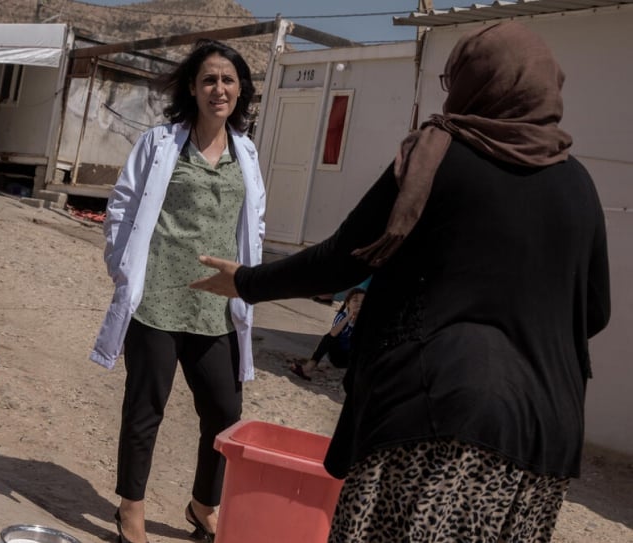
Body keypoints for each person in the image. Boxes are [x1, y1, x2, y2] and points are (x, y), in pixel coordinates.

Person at [191, 22, 610, 542]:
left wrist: (248, 282)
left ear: (477, 81)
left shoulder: (437, 157)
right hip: (545, 438)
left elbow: (342, 260)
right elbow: (595, 312)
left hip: (436, 421)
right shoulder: (579, 184)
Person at [90, 39, 265, 543]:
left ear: (240, 90)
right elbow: (122, 206)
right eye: (209, 79)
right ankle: (131, 509)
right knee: (147, 408)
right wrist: (123, 271)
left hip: (217, 305)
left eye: (228, 80)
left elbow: (254, 220)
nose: (219, 89)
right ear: (192, 86)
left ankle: (202, 504)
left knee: (224, 413)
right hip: (159, 299)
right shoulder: (161, 143)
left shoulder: (246, 151)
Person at [289, 288, 365, 380]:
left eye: (363, 301)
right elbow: (333, 333)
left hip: (352, 359)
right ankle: (308, 368)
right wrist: (349, 316)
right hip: (337, 355)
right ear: (348, 304)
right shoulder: (342, 316)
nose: (359, 304)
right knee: (329, 337)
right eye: (355, 300)